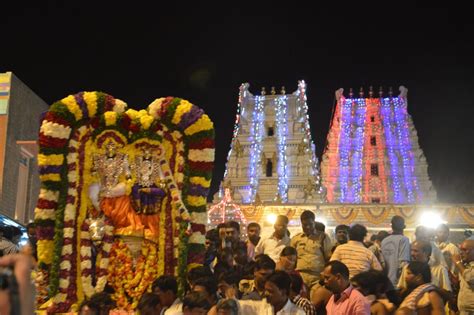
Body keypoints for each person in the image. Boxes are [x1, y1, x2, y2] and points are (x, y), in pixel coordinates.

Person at [291, 210, 332, 289]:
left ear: (314, 222)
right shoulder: (296, 238)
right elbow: (292, 259)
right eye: (305, 225)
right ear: (301, 224)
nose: (308, 227)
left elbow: (328, 258)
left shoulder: (323, 237)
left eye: (310, 224)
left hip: (317, 276)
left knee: (315, 300)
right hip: (300, 276)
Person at [381, 215, 411, 286]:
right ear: (403, 226)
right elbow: (403, 263)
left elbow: (382, 263)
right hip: (397, 282)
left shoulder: (384, 240)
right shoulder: (404, 240)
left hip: (386, 281)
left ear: (392, 227)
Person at [452, 239, 474, 314]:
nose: (461, 253)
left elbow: (470, 278)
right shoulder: (464, 266)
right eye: (460, 250)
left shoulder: (461, 266)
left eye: (465, 250)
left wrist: (458, 262)